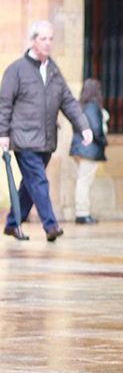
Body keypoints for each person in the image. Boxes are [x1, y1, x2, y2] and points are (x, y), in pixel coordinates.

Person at [0, 20, 92, 242]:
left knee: (30, 184)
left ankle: (13, 223)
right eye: (43, 39)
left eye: (51, 39)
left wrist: (84, 126)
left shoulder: (53, 71)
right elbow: (4, 104)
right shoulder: (16, 70)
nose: (48, 43)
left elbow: (68, 101)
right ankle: (50, 225)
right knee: (39, 181)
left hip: (47, 140)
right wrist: (3, 133)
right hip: (24, 138)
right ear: (33, 41)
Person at [68, 78, 108, 224]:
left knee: (82, 180)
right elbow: (96, 128)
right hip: (88, 149)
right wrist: (103, 141)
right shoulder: (92, 106)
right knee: (84, 181)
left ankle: (82, 212)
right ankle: (82, 213)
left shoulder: (81, 106)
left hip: (80, 148)